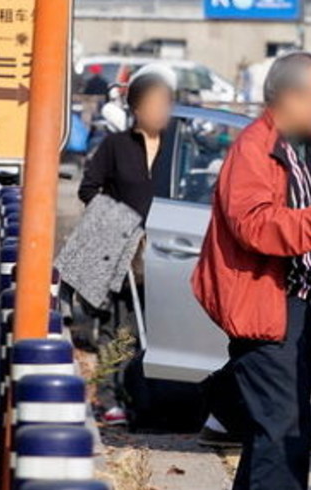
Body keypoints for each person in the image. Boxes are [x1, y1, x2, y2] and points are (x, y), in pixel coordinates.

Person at [192, 51, 311, 490]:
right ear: (289, 98)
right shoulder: (255, 148)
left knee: (274, 422)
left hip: (289, 300)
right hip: (264, 305)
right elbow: (254, 225)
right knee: (282, 425)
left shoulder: (293, 146)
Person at [73, 72, 175, 425]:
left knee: (160, 326)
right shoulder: (115, 146)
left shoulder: (177, 147)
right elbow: (88, 189)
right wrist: (119, 222)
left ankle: (151, 397)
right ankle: (110, 396)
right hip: (123, 251)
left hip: (169, 251)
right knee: (120, 328)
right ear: (135, 109)